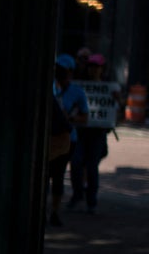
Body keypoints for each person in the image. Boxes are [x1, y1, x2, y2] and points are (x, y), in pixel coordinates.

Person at [70, 52, 122, 213]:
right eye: (91, 67)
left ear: (102, 69)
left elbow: (119, 110)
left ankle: (91, 201)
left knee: (92, 167)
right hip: (81, 131)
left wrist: (118, 99)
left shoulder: (109, 88)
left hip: (98, 133)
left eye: (96, 67)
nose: (93, 70)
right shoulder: (80, 86)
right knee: (76, 163)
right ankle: (78, 194)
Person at [48, 54, 88, 227]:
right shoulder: (49, 88)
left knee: (58, 177)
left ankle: (55, 212)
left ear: (70, 72)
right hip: (47, 138)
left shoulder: (77, 92)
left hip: (67, 140)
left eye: (63, 70)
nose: (60, 73)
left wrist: (69, 119)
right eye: (58, 69)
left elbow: (85, 117)